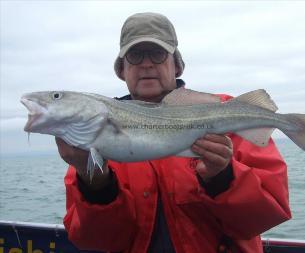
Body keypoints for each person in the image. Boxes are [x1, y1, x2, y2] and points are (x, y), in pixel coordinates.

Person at [56, 12, 291, 253]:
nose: (146, 64)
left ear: (176, 65)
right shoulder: (97, 134)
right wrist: (95, 184)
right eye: (135, 56)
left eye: (158, 54)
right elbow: (91, 240)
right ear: (121, 70)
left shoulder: (226, 113)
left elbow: (269, 213)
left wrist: (223, 177)